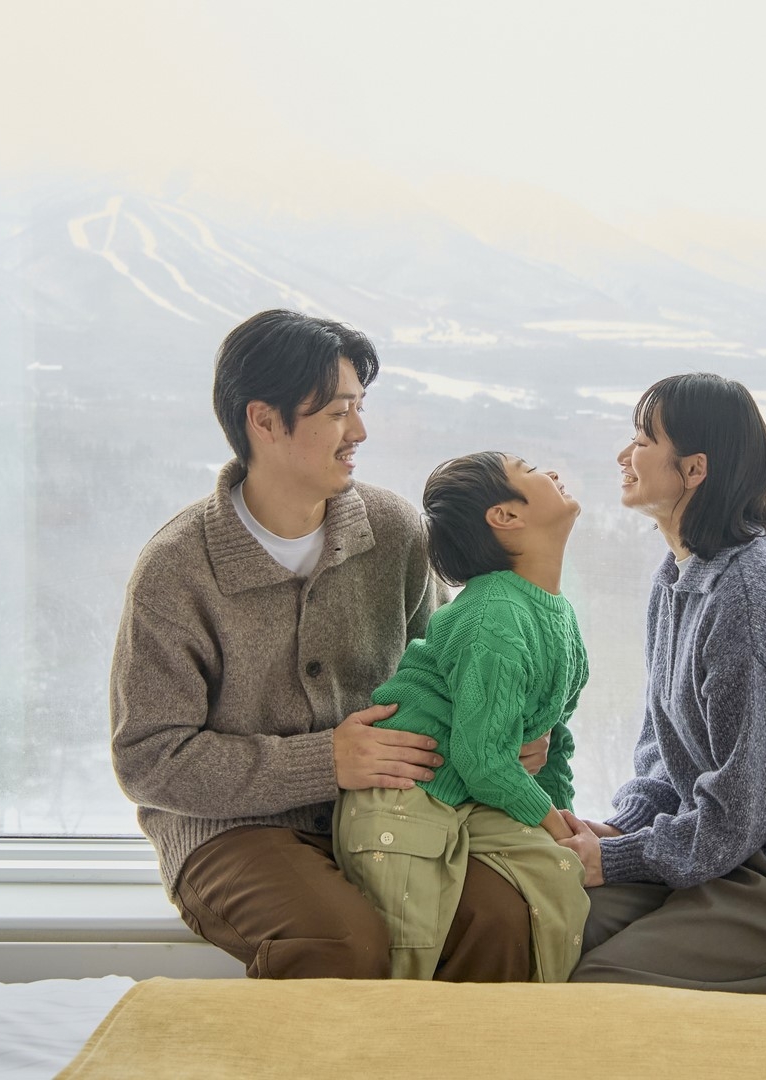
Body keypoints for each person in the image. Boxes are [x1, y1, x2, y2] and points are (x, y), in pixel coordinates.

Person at [109, 310, 544, 981]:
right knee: (340, 943)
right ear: (264, 420)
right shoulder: (177, 569)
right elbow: (149, 761)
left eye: (360, 408)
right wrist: (325, 762)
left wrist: (501, 732)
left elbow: (444, 678)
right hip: (227, 832)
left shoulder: (396, 531)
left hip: (390, 813)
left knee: (501, 916)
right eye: (340, 412)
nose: (360, 432)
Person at [554, 372, 766, 995]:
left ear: (694, 470)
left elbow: (744, 802)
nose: (623, 455)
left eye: (642, 438)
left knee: (606, 984)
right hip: (725, 844)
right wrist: (625, 826)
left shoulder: (748, 597)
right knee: (547, 928)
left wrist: (621, 859)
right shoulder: (679, 574)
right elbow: (669, 747)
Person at [335, 451, 590, 981]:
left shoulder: (558, 615)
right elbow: (483, 757)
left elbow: (552, 741)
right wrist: (554, 824)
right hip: (406, 793)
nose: (552, 473)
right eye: (531, 468)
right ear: (505, 515)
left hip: (471, 795)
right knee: (406, 961)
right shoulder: (494, 615)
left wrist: (566, 828)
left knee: (562, 879)